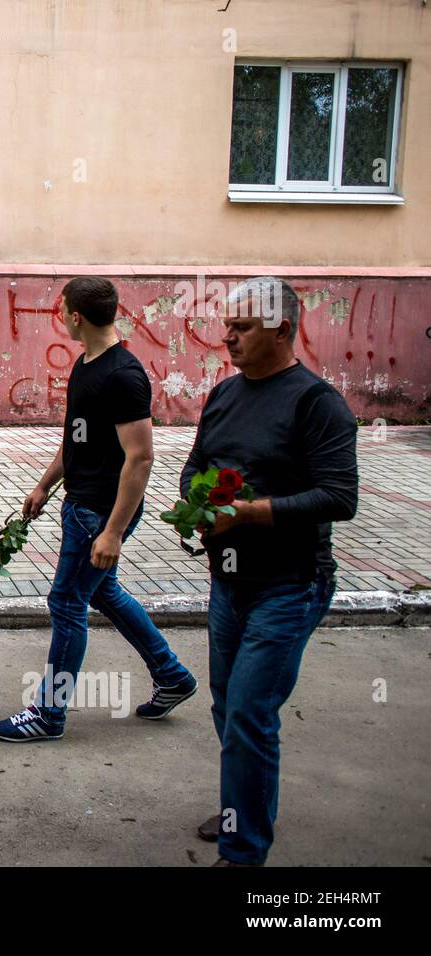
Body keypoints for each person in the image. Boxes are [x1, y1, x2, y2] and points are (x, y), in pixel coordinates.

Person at [179, 277, 358, 866]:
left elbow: (338, 497)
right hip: (229, 582)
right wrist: (199, 511)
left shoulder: (316, 403)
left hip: (290, 585)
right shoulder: (225, 395)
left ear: (283, 329)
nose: (227, 336)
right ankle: (244, 807)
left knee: (251, 711)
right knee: (228, 705)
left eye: (243, 327)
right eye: (227, 325)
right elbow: (196, 466)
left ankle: (244, 850)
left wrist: (248, 514)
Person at [0, 277, 197, 742]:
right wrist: (44, 485)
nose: (59, 315)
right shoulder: (86, 364)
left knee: (66, 602)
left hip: (99, 512)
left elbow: (140, 457)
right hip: (81, 503)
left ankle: (49, 713)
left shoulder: (123, 375)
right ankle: (172, 675)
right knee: (102, 593)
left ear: (77, 316)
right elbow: (74, 439)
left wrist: (113, 532)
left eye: (61, 308)